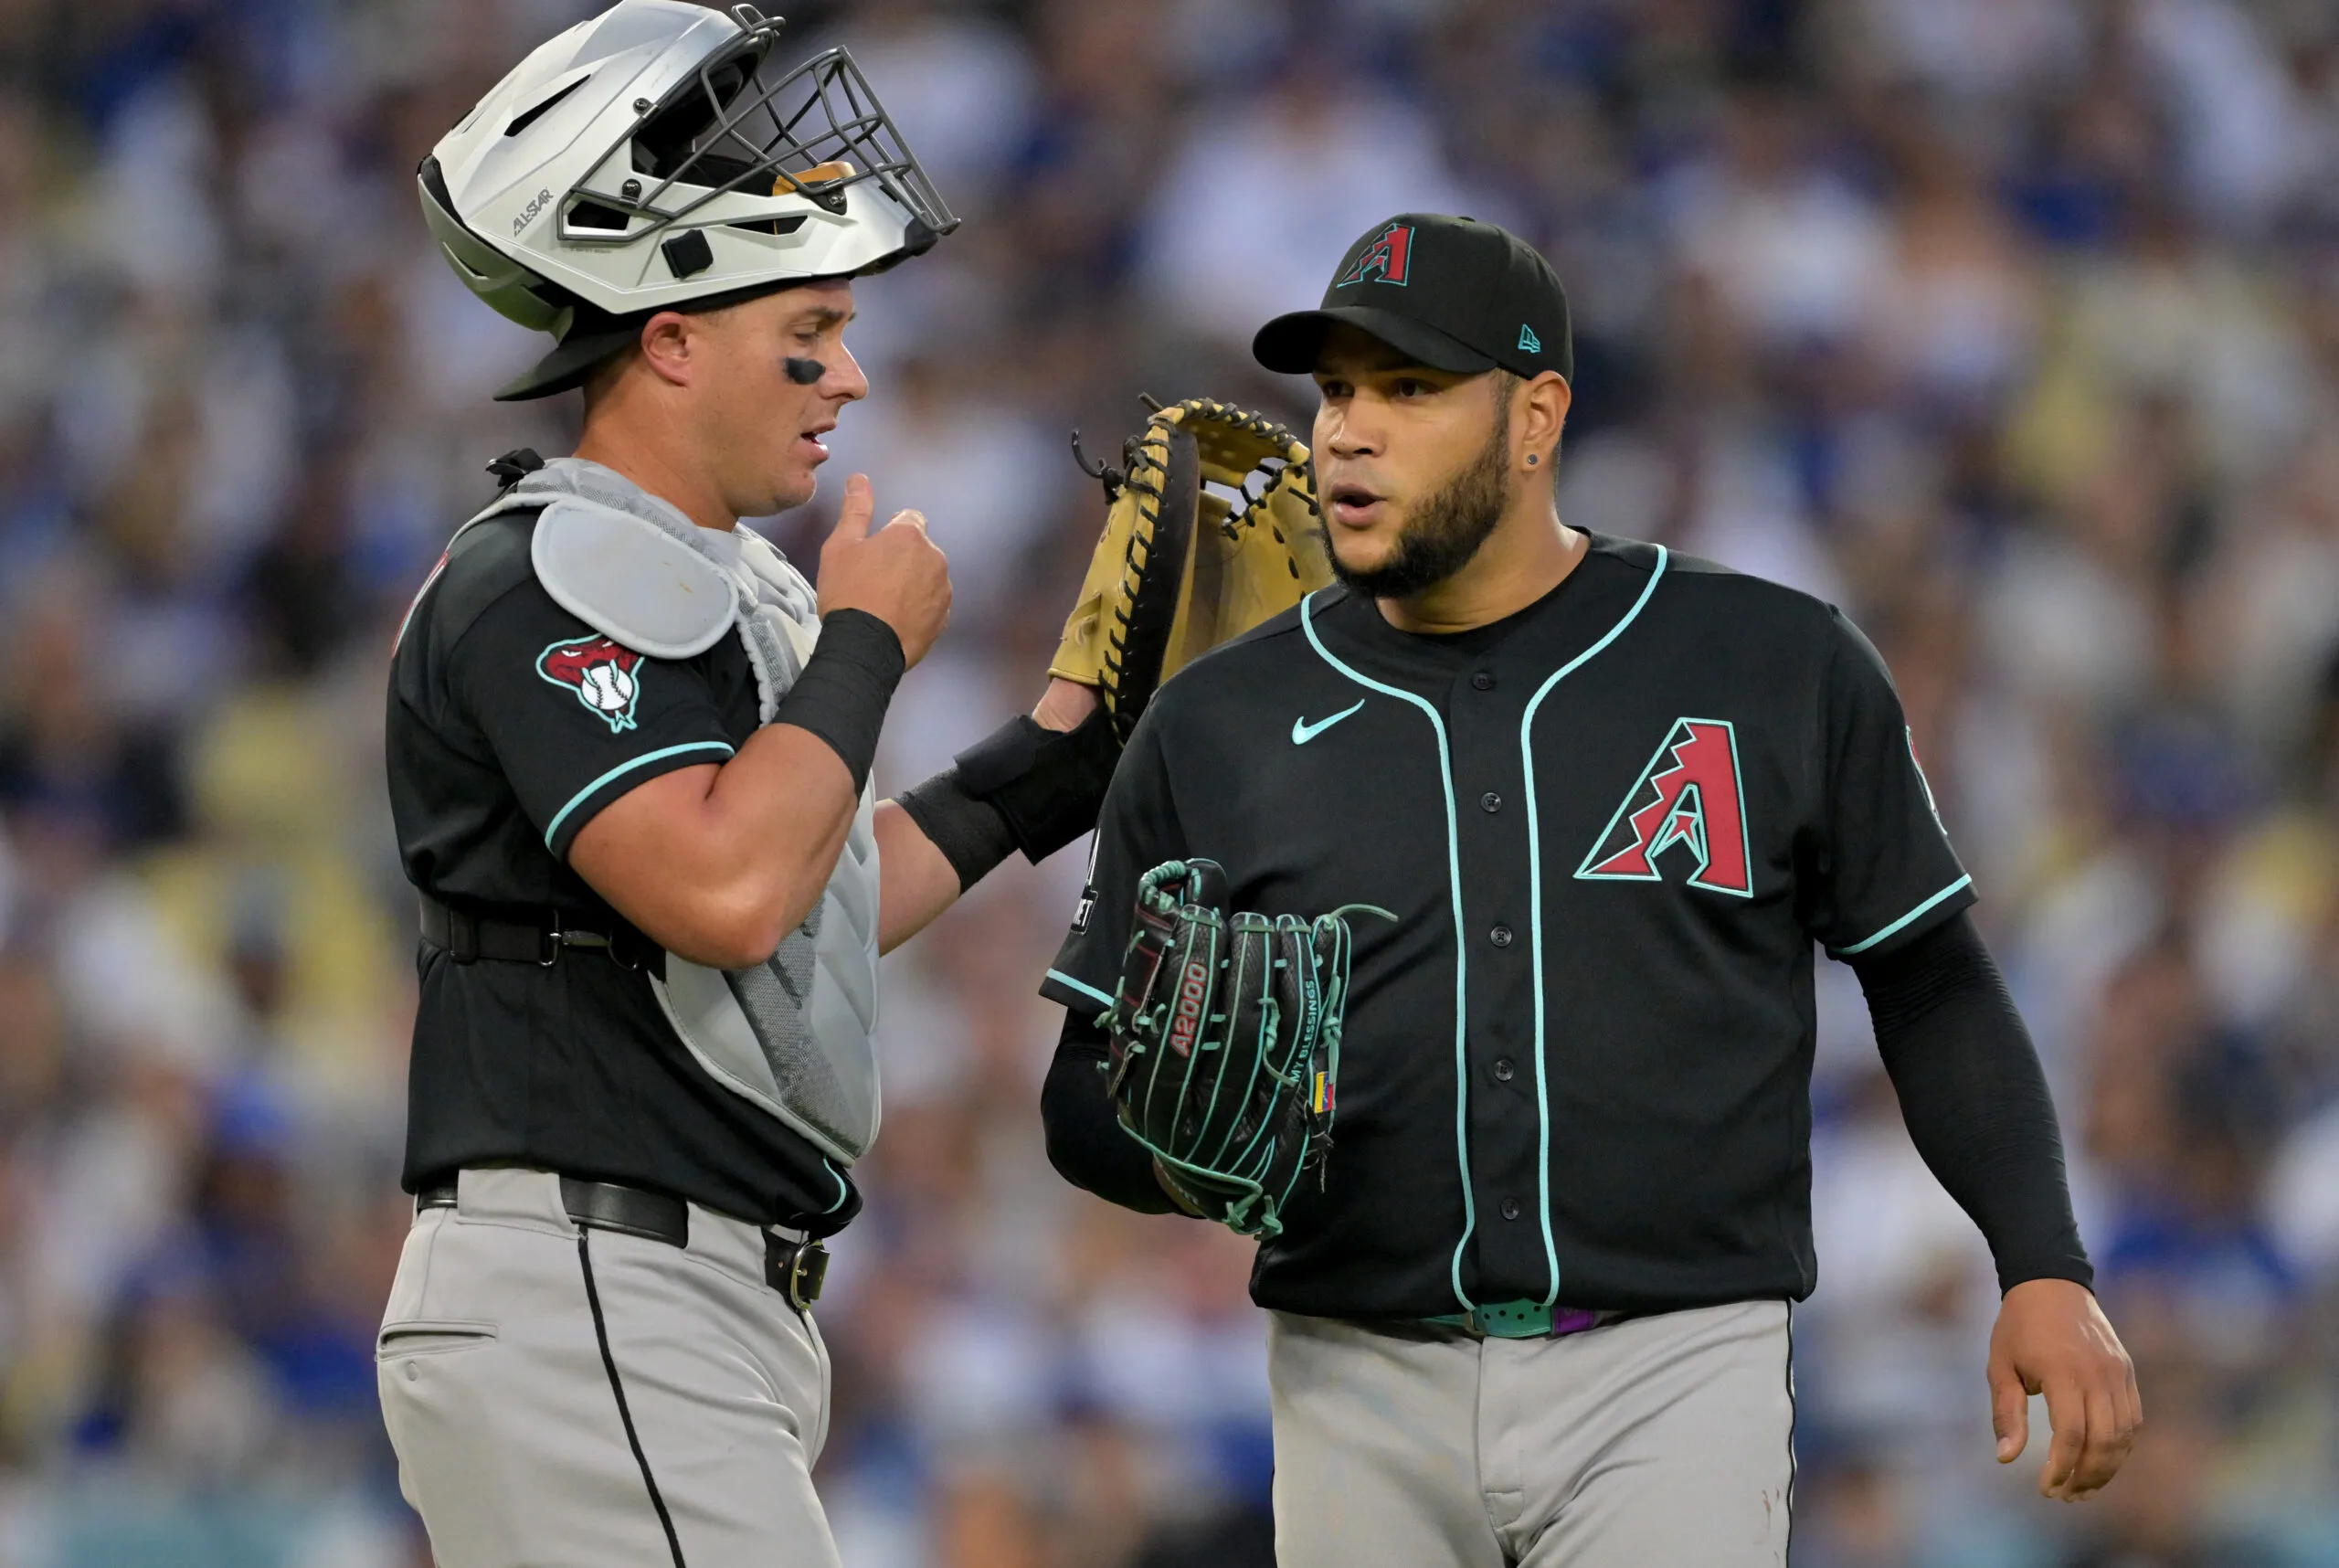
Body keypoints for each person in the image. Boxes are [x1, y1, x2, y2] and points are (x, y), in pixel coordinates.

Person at [1038, 213, 2142, 1567]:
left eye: (1410, 388)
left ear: (1535, 415)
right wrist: (1186, 1151)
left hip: (1672, 1366)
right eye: (1335, 391)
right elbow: (1081, 1086)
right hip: (1354, 1374)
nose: (1347, 432)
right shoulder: (1220, 720)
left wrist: (2041, 1264)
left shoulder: (1766, 659)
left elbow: (1930, 977)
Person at [378, 5, 1108, 1564]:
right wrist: (864, 644)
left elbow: (811, 909)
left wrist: (1066, 758)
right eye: (810, 334)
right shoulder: (549, 573)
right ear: (669, 337)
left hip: (665, 1302)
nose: (846, 377)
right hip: (595, 1280)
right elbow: (724, 890)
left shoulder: (699, 579)